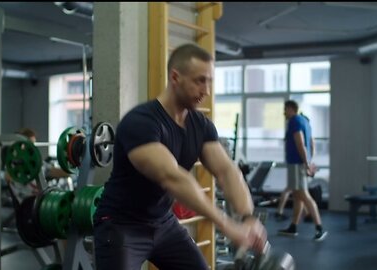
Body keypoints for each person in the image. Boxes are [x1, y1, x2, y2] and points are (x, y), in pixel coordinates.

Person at [93, 43, 267, 270]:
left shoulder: (201, 126)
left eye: (209, 81)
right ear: (175, 77)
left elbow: (227, 172)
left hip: (163, 223)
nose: (206, 90)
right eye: (199, 80)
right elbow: (172, 177)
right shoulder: (141, 122)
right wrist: (226, 224)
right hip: (122, 224)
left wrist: (247, 218)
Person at [277, 100, 328, 241]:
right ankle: (293, 226)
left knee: (304, 196)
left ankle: (319, 228)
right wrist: (309, 161)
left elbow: (300, 142)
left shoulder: (294, 121)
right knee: (298, 196)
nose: (284, 112)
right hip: (300, 163)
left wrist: (306, 163)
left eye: (285, 109)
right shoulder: (305, 121)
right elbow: (312, 144)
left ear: (291, 109)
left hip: (296, 164)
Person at [3, 128, 71, 200]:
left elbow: (62, 173)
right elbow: (7, 176)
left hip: (39, 200)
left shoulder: (37, 163)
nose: (32, 148)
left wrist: (70, 161)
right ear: (21, 145)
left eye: (33, 144)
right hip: (28, 203)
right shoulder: (13, 164)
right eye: (30, 144)